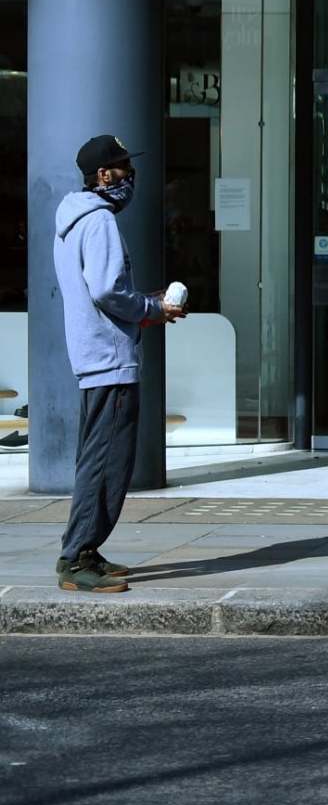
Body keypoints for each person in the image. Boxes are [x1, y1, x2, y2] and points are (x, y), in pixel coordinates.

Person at [54, 135, 184, 595]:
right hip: (110, 358)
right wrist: (152, 310)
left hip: (92, 352)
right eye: (124, 168)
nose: (131, 176)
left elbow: (101, 291)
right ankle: (77, 558)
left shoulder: (71, 220)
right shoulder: (100, 221)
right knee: (107, 461)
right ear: (104, 176)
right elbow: (108, 290)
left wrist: (143, 301)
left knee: (96, 457)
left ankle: (84, 549)